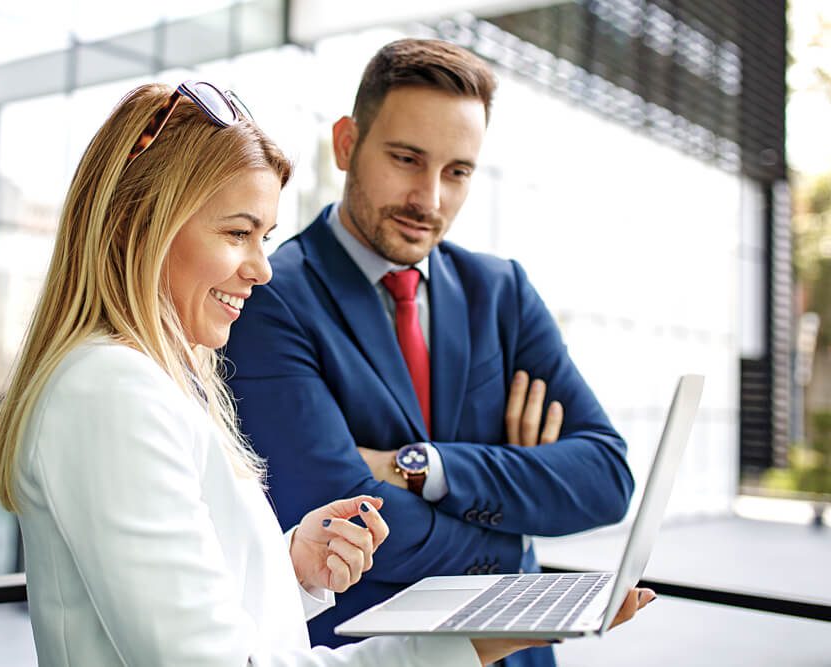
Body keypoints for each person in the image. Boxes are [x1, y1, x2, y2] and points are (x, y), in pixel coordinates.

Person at [0, 81, 647, 666]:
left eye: (264, 237)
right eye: (237, 233)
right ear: (139, 225)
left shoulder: (152, 382)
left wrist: (293, 563)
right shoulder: (114, 393)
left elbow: (199, 604)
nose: (260, 268)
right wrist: (470, 639)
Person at [224, 39, 637, 666]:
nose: (431, 199)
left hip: (513, 653)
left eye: (457, 172)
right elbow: (350, 527)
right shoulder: (271, 298)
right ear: (346, 144)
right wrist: (514, 531)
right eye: (407, 159)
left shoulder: (502, 293)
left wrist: (421, 467)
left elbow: (606, 477)